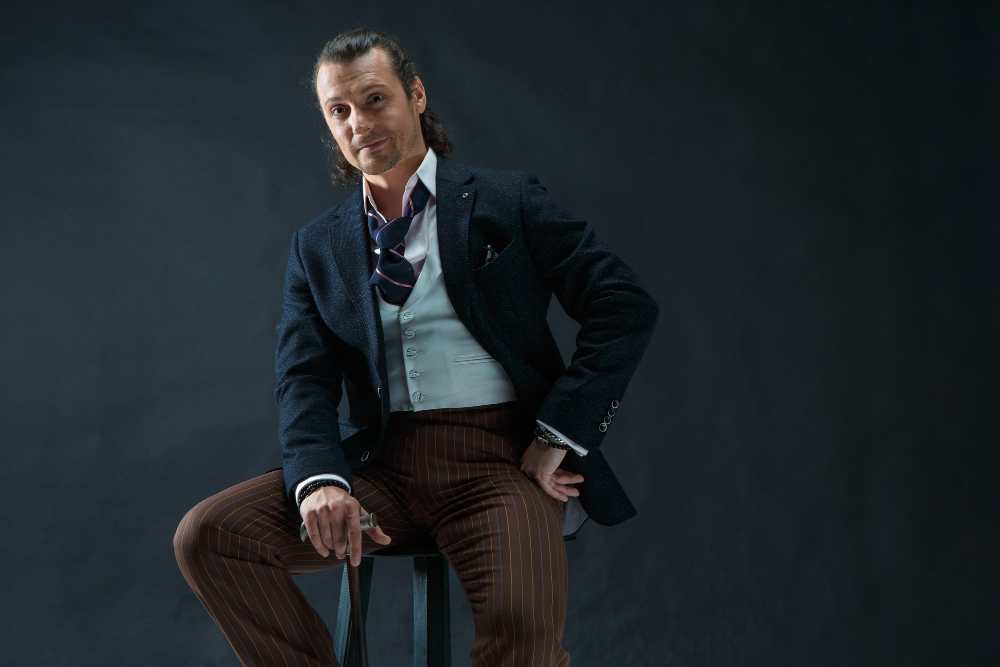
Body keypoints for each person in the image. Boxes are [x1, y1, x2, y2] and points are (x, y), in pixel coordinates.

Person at [174, 27, 658, 667]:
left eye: (374, 99)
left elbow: (623, 302)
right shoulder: (316, 246)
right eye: (338, 110)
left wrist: (560, 432)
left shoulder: (507, 200)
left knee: (523, 642)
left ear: (417, 95)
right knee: (208, 536)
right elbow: (303, 380)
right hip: (381, 469)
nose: (358, 123)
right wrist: (319, 481)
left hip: (499, 465)